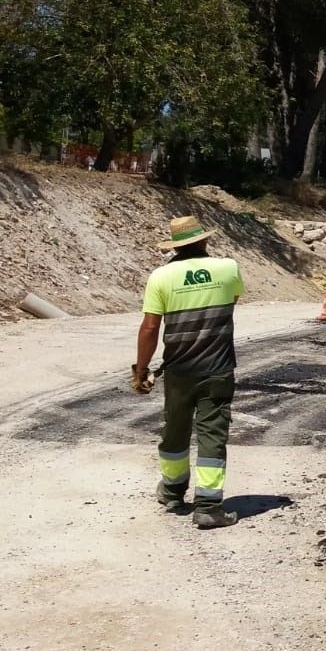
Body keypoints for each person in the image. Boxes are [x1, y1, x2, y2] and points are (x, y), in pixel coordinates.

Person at [133, 215, 245, 528]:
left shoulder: (161, 276)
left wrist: (141, 370)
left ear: (175, 244)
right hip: (217, 368)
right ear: (204, 240)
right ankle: (208, 506)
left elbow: (150, 327)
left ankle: (171, 491)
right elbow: (232, 300)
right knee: (212, 433)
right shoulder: (228, 268)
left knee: (175, 428)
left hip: (179, 369)